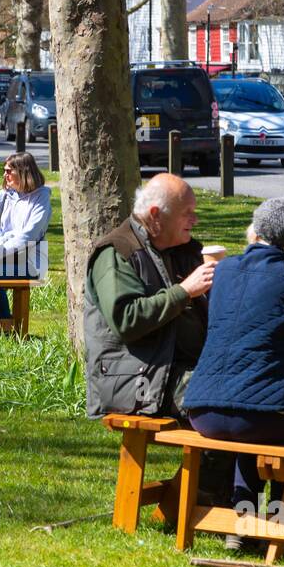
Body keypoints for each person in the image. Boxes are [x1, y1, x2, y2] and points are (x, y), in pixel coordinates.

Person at [183, 197, 284, 549]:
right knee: (269, 413)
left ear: (254, 231)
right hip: (264, 416)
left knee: (252, 404)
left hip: (204, 409)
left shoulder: (224, 271)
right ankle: (276, 525)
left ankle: (243, 525)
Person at [84, 173, 216, 420]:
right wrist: (185, 291)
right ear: (156, 215)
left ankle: (207, 461)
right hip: (137, 380)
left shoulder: (183, 249)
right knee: (223, 403)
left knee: (252, 395)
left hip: (184, 370)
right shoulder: (117, 253)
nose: (195, 219)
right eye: (187, 212)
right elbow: (127, 319)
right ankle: (209, 460)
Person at [0, 152, 52, 319]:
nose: (5, 175)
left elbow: (28, 235)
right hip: (0, 258)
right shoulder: (2, 196)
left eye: (9, 171)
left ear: (23, 171)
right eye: (4, 170)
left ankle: (2, 321)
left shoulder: (41, 197)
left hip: (30, 261)